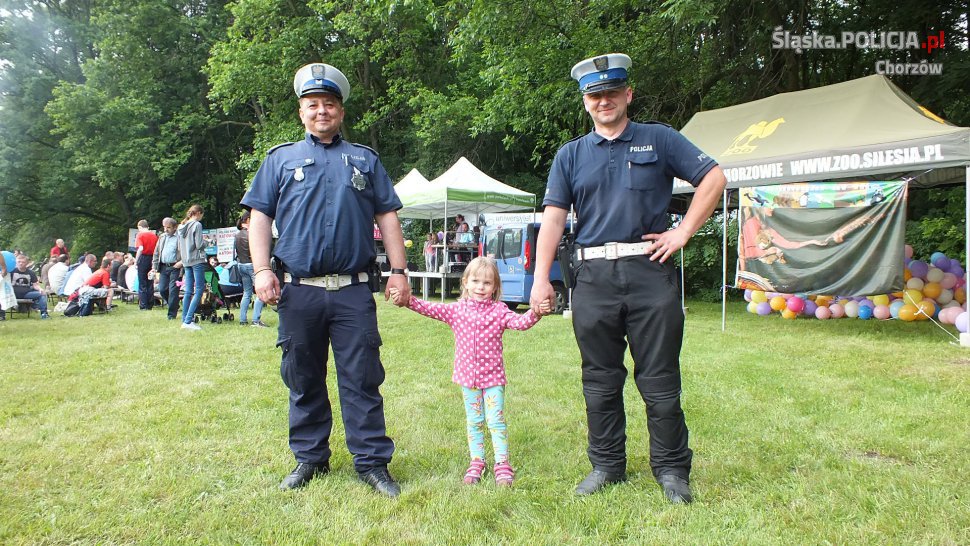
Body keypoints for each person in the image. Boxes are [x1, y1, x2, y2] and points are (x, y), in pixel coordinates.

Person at [529, 53, 727, 503]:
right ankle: (606, 465)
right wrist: (541, 279)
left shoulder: (659, 138)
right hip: (592, 276)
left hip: (649, 271)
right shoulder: (570, 155)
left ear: (628, 94)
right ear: (585, 102)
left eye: (612, 92)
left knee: (659, 379)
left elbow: (714, 178)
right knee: (599, 379)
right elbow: (554, 219)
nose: (604, 101)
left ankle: (672, 470)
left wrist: (683, 232)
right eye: (595, 95)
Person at [242, 62, 411, 497]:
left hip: (354, 291)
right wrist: (261, 270)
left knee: (362, 378)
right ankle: (310, 458)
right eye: (313, 104)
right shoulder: (279, 160)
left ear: (341, 111)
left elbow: (387, 216)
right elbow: (259, 218)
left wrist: (399, 272)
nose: (322, 111)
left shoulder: (365, 160)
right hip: (300, 292)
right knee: (302, 378)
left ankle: (372, 463)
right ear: (301, 112)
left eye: (330, 104)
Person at [390, 257, 546, 486]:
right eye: (475, 281)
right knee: (474, 421)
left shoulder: (500, 311)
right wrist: (407, 301)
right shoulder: (457, 310)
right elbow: (429, 308)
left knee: (495, 421)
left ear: (495, 287)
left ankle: (502, 464)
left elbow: (521, 323)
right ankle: (477, 461)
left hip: (493, 379)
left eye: (487, 283)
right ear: (465, 282)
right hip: (467, 379)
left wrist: (536, 312)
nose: (480, 287)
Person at [233, 211, 267, 327]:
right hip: (252, 265)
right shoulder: (251, 233)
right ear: (248, 219)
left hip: (241, 265)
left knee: (246, 293)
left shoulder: (237, 234)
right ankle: (256, 320)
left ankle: (243, 320)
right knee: (260, 292)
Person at [177, 204, 207, 331]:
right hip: (196, 260)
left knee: (188, 291)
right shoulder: (197, 225)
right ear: (199, 213)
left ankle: (185, 320)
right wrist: (207, 242)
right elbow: (199, 244)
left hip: (186, 261)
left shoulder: (181, 226)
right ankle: (188, 320)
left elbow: (179, 247)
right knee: (199, 289)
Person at [152, 217, 183, 320]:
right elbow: (156, 252)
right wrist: (154, 267)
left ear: (175, 227)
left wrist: (181, 263)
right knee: (162, 289)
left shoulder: (180, 237)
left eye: (168, 227)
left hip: (176, 267)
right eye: (164, 227)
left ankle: (171, 315)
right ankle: (174, 305)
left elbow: (185, 252)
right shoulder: (162, 237)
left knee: (173, 291)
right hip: (163, 267)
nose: (165, 229)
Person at [10, 254, 50, 319]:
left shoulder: (31, 273)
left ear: (26, 263)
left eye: (23, 262)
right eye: (19, 262)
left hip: (26, 294)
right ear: (16, 262)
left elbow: (35, 285)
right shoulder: (11, 271)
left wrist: (40, 289)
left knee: (42, 294)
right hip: (13, 294)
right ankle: (2, 315)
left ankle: (44, 314)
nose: (21, 263)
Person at [134, 220, 159, 310]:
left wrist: (136, 261)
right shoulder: (154, 236)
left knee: (142, 282)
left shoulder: (140, 235)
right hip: (152, 258)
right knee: (150, 281)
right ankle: (150, 304)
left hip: (143, 258)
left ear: (140, 227)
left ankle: (143, 305)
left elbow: (140, 248)